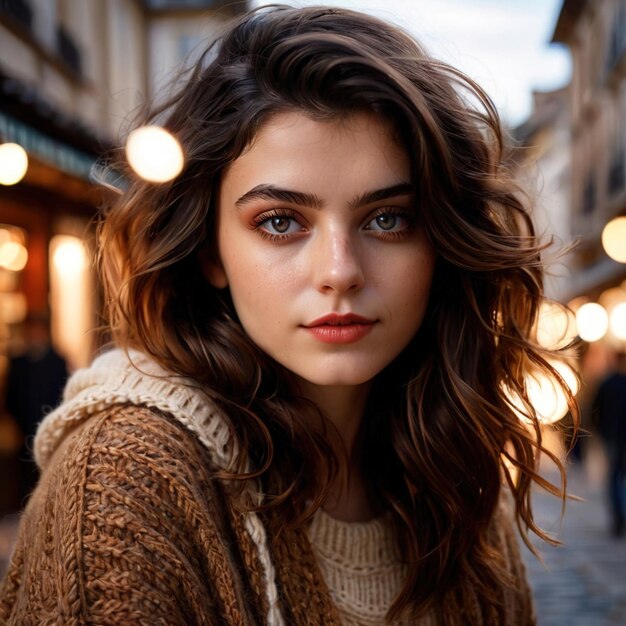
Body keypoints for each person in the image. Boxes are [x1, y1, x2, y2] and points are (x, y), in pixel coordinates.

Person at [0, 6, 576, 625]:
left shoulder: (452, 466)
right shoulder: (124, 478)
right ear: (209, 251)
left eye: (387, 218)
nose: (339, 270)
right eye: (279, 222)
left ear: (440, 241)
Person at [5, 314, 68, 505]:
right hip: (24, 428)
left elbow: (61, 394)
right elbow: (11, 396)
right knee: (24, 474)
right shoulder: (18, 362)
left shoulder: (57, 361)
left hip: (50, 428)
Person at [592, 351, 626, 537]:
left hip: (612, 436)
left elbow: (594, 411)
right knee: (617, 476)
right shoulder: (609, 383)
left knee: (614, 476)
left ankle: (618, 516)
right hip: (616, 436)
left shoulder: (607, 383)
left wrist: (602, 432)